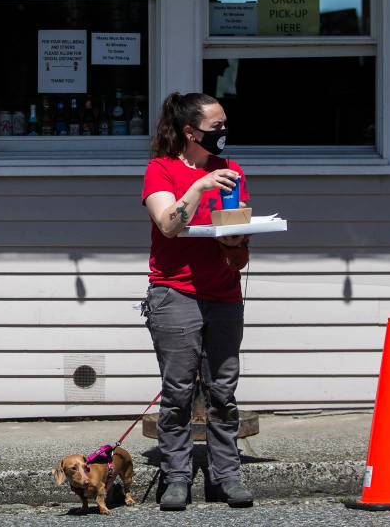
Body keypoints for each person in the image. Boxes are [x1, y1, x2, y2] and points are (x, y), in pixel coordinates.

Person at [140, 91, 253, 511]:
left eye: (225, 125)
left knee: (223, 391)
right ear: (190, 132)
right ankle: (176, 478)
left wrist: (238, 240)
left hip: (222, 292)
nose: (223, 134)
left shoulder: (232, 171)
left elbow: (238, 253)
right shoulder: (161, 170)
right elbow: (169, 225)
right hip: (174, 293)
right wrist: (200, 185)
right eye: (215, 128)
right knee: (178, 393)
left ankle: (227, 475)